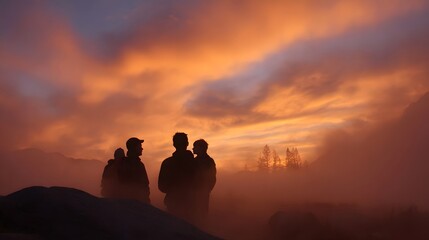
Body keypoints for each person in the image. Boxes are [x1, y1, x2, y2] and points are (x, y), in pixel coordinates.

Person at [158, 132, 196, 222]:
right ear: (187, 144)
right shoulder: (195, 163)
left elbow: (161, 187)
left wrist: (173, 190)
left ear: (174, 144)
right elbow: (202, 184)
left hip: (172, 204)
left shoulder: (167, 163)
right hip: (193, 205)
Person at [115, 137, 151, 203]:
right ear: (134, 148)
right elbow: (144, 185)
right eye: (139, 146)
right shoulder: (138, 165)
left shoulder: (123, 163)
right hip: (137, 203)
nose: (142, 148)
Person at [192, 139, 216, 222]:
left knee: (201, 216)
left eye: (195, 147)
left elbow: (212, 178)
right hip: (195, 194)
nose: (193, 149)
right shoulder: (194, 161)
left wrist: (205, 190)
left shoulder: (208, 161)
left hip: (202, 194)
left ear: (201, 148)